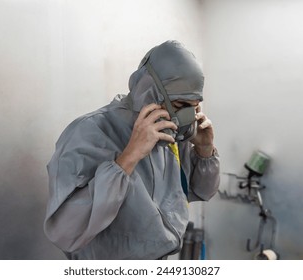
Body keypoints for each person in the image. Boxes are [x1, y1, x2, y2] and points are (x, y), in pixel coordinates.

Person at [44, 40, 220, 260]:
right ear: (150, 91)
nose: (186, 116)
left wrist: (205, 150)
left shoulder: (171, 135)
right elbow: (64, 233)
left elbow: (200, 191)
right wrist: (129, 157)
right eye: (180, 105)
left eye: (193, 107)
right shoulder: (90, 132)